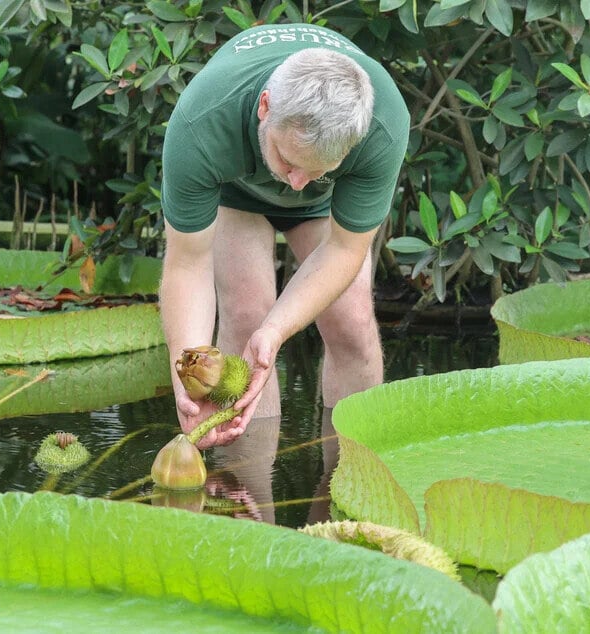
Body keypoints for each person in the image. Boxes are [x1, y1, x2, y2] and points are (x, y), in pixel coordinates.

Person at [159, 23, 409, 447]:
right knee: (246, 312)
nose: (295, 183)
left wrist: (275, 333)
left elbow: (346, 248)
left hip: (326, 204)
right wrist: (189, 373)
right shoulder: (201, 121)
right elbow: (187, 263)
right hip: (235, 191)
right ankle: (248, 483)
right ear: (265, 106)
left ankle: (351, 477)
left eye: (316, 168)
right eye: (287, 159)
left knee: (352, 323)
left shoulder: (382, 124)